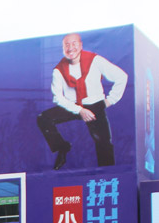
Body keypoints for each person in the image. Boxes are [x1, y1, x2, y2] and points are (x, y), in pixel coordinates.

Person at [36, 32, 127, 169]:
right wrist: (80, 110)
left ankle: (107, 173)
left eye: (74, 44)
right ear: (62, 48)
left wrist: (109, 100)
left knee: (103, 142)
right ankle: (62, 147)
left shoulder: (95, 60)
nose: (70, 48)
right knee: (43, 118)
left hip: (94, 105)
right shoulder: (58, 70)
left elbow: (121, 76)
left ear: (81, 45)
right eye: (66, 45)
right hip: (72, 106)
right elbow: (58, 97)